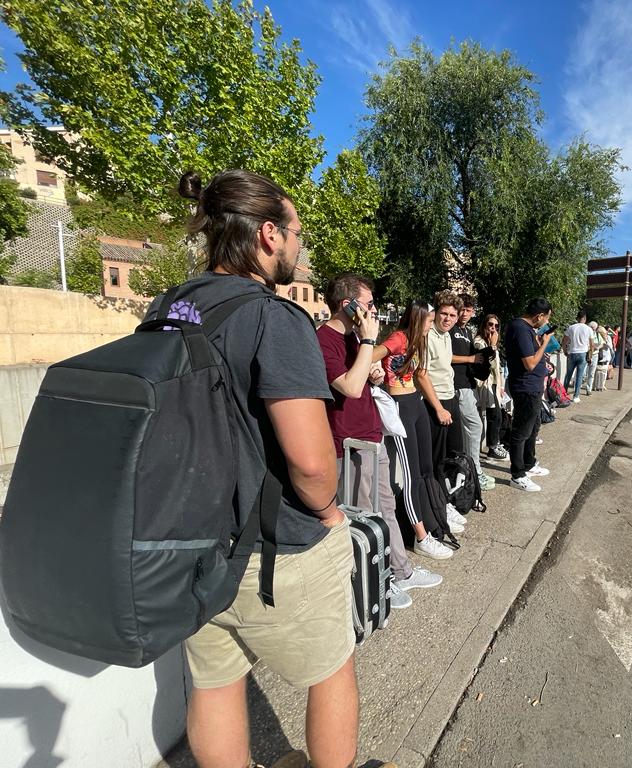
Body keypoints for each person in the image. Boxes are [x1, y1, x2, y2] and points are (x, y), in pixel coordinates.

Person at [158, 169, 390, 768]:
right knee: (332, 669)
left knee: (214, 684)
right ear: (268, 235)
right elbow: (312, 464)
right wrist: (331, 511)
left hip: (191, 542)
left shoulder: (171, 307)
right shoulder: (274, 318)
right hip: (274, 546)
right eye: (296, 233)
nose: (300, 246)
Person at [316, 275, 444, 613]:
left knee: (385, 508)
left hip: (372, 434)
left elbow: (364, 377)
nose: (374, 310)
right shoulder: (325, 339)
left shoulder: (355, 338)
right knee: (363, 517)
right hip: (350, 443)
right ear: (349, 305)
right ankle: (377, 583)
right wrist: (369, 346)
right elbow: (348, 386)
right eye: (370, 304)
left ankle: (400, 571)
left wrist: (373, 369)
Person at [373, 300, 458, 558]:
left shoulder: (418, 340)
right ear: (418, 319)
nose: (431, 326)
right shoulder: (399, 338)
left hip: (416, 402)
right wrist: (373, 374)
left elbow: (420, 374)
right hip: (399, 405)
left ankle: (434, 516)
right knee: (410, 475)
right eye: (430, 321)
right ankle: (421, 537)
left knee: (425, 468)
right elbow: (369, 355)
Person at [422, 291, 468, 531]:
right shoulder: (428, 336)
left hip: (450, 398)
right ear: (436, 313)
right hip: (435, 403)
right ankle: (438, 507)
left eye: (452, 315)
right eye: (444, 314)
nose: (448, 319)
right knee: (436, 460)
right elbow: (422, 374)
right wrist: (438, 408)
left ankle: (447, 501)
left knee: (453, 455)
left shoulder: (446, 336)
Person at [505, 298, 555, 492]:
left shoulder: (527, 330)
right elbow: (530, 363)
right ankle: (517, 475)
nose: (546, 323)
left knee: (533, 427)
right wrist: (545, 343)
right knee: (521, 431)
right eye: (547, 318)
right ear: (539, 316)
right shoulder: (520, 329)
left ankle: (529, 463)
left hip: (532, 386)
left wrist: (540, 342)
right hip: (525, 388)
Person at [450, 294, 496, 491]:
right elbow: (446, 356)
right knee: (475, 428)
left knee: (469, 431)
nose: (465, 314)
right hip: (457, 386)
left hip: (469, 385)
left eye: (469, 310)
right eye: (463, 309)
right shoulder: (450, 329)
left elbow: (476, 357)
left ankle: (469, 471)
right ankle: (474, 472)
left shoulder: (467, 331)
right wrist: (470, 360)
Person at [474, 313, 508, 461]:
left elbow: (498, 367)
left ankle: (495, 444)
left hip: (494, 384)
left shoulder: (491, 342)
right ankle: (492, 448)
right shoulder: (479, 342)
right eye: (490, 325)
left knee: (498, 416)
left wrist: (501, 385)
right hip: (484, 384)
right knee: (494, 416)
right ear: (484, 325)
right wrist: (492, 346)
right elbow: (489, 362)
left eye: (496, 326)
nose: (493, 328)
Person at [562, 312, 592, 402]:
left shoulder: (571, 327)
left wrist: (565, 351)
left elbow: (564, 341)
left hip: (572, 353)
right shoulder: (588, 329)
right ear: (585, 318)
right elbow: (592, 344)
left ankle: (563, 394)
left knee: (568, 375)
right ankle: (576, 396)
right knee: (579, 376)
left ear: (577, 318)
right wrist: (590, 356)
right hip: (583, 353)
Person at [583, 320, 600, 395]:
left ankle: (588, 389)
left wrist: (597, 347)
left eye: (594, 328)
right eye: (592, 328)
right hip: (586, 354)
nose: (593, 330)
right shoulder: (585, 334)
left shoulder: (597, 335)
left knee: (591, 373)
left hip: (595, 355)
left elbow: (602, 343)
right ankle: (578, 386)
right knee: (583, 373)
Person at [593, 326, 612, 390]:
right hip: (598, 355)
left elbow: (610, 346)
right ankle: (595, 385)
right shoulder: (596, 337)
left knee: (604, 371)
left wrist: (605, 341)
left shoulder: (608, 337)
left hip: (606, 356)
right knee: (596, 371)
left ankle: (602, 385)